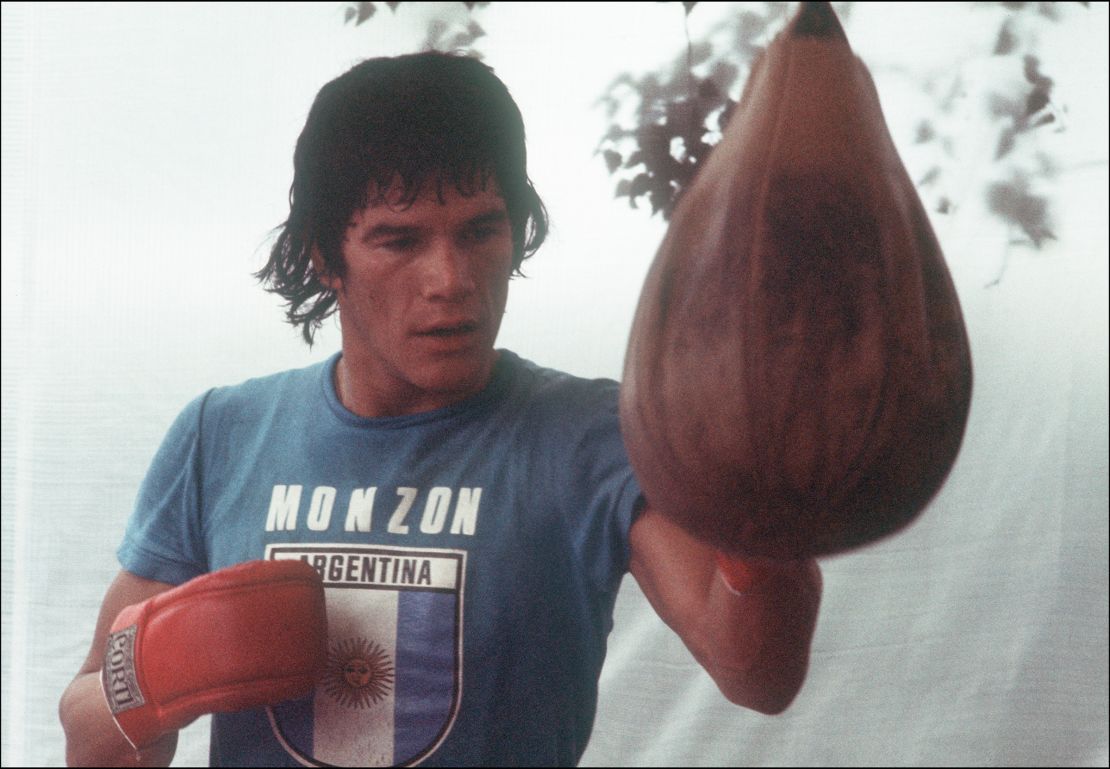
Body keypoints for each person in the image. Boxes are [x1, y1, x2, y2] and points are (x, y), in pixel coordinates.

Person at [58, 51, 822, 767]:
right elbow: (89, 736)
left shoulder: (598, 435)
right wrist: (155, 675)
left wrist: (766, 513)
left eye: (481, 230)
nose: (451, 278)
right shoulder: (221, 435)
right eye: (399, 240)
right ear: (325, 256)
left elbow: (758, 675)